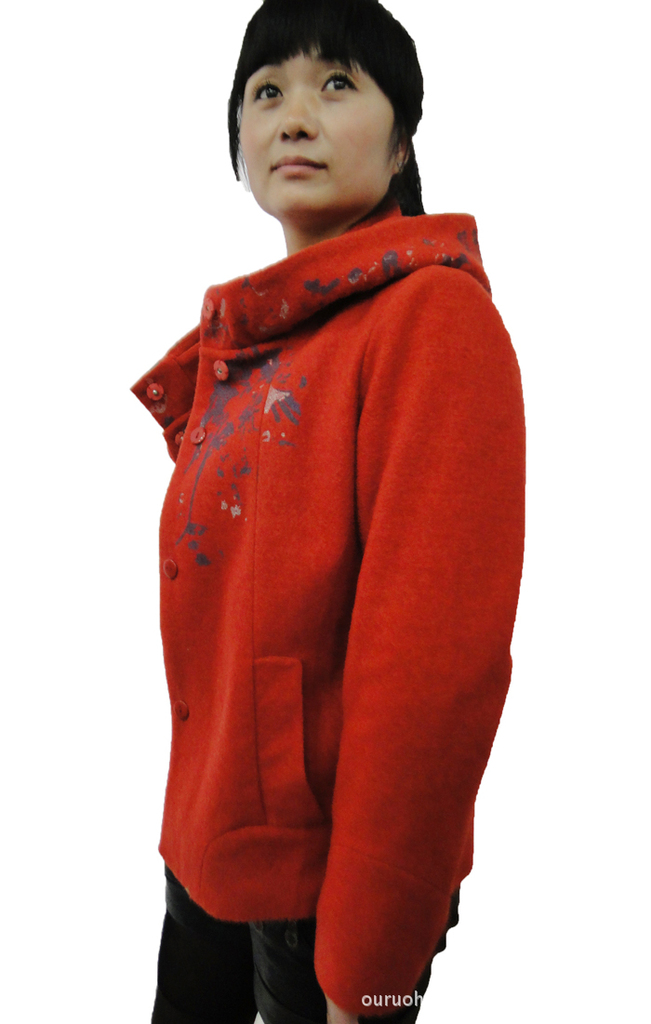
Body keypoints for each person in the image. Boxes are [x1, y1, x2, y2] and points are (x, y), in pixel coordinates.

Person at [130, 1, 526, 1021]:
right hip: (209, 846)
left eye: (337, 83)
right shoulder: (267, 340)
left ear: (402, 144)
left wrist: (370, 961)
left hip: (325, 893)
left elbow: (433, 672)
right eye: (266, 93)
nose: (294, 116)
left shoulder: (432, 319)